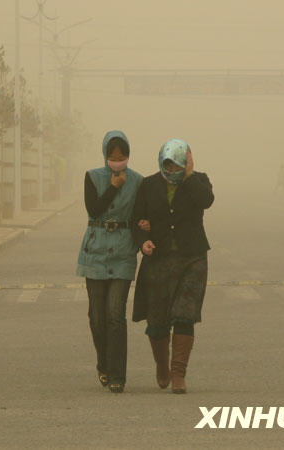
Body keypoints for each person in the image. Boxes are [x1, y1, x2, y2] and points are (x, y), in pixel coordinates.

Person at [132, 138, 214, 394]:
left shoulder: (198, 180)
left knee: (185, 314)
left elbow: (206, 201)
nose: (174, 170)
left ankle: (179, 373)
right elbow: (137, 218)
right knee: (157, 320)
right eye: (170, 165)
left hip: (193, 258)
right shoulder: (148, 184)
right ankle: (162, 366)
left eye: (179, 165)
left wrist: (189, 176)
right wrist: (143, 241)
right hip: (159, 259)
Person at [76, 130, 143, 393]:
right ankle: (103, 364)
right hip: (95, 251)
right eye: (113, 156)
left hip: (123, 252)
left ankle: (117, 375)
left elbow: (140, 213)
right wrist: (114, 188)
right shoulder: (93, 177)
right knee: (97, 316)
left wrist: (144, 232)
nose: (117, 161)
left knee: (116, 314)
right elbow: (94, 210)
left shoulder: (137, 181)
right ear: (105, 155)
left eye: (122, 156)